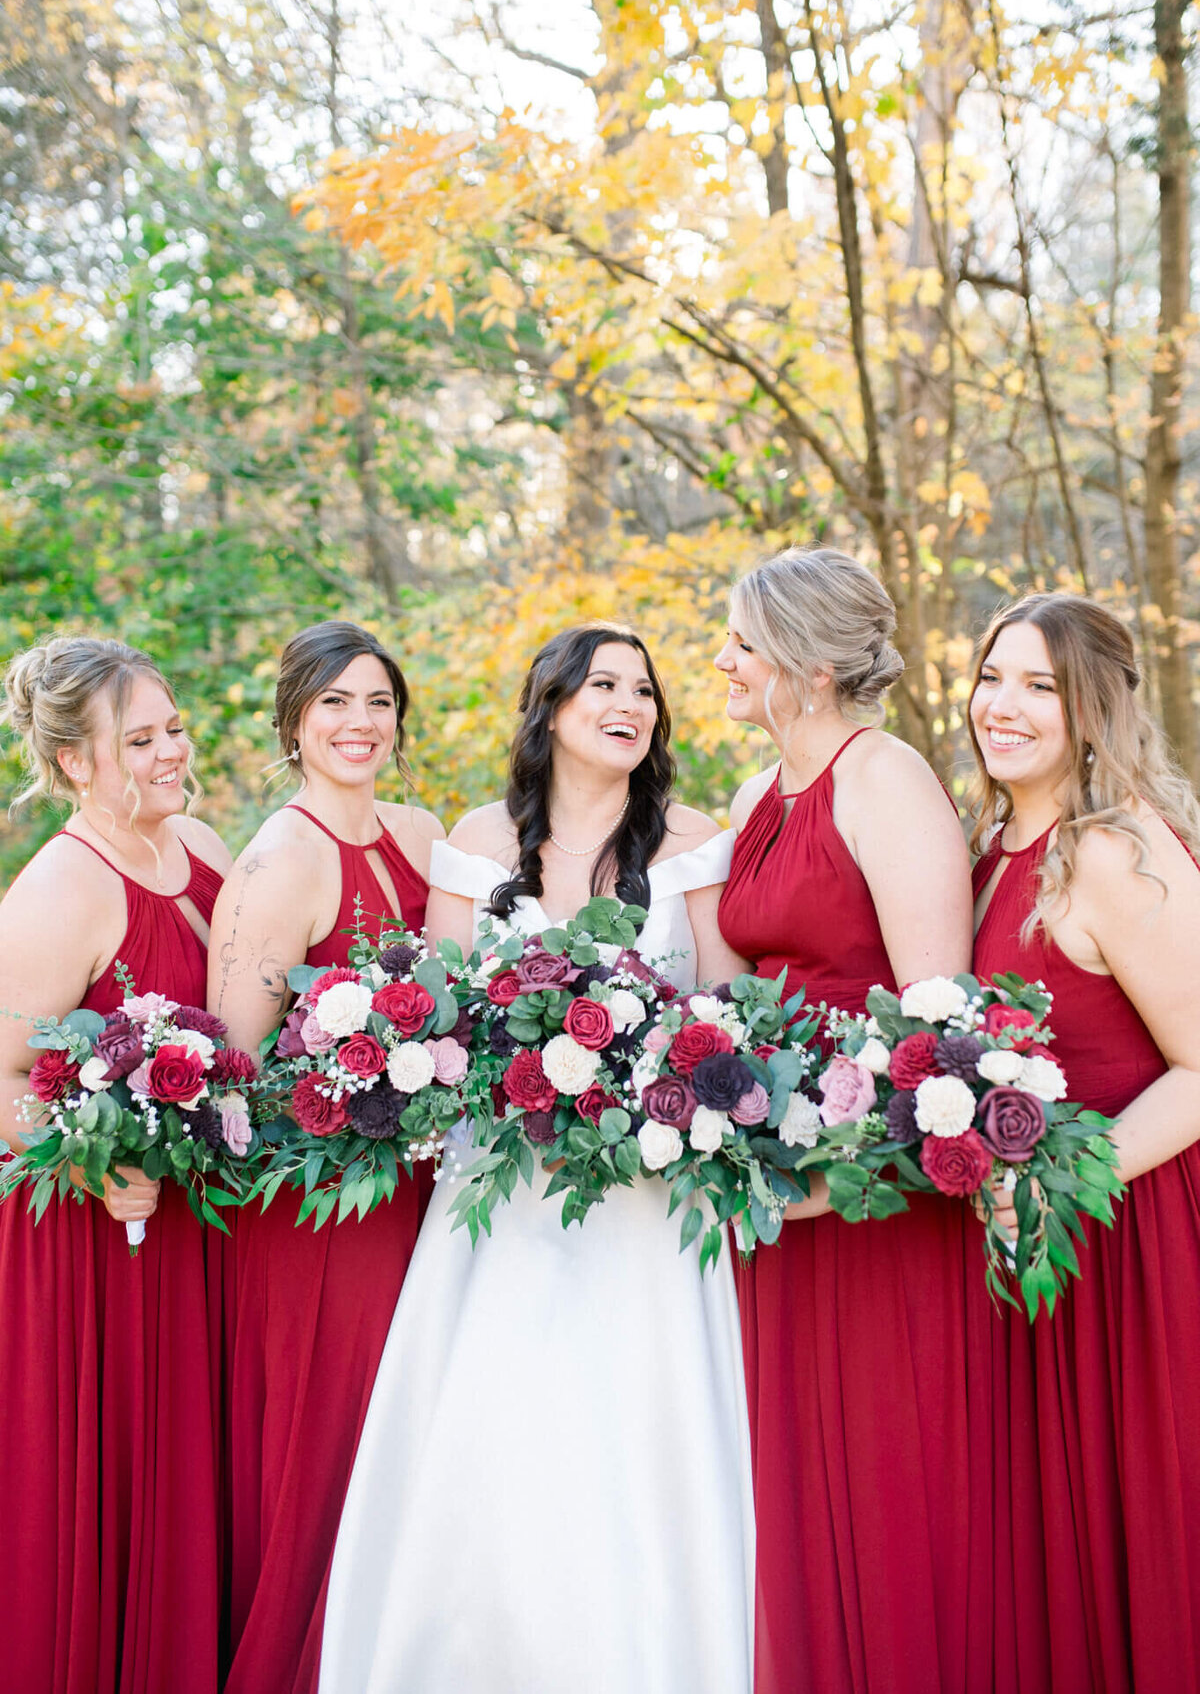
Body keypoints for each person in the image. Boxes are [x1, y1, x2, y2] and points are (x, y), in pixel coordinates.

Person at [318, 623, 756, 1694]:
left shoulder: (695, 837)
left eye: (645, 690)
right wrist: (524, 1069)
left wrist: (647, 1069)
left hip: (649, 1195)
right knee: (496, 1439)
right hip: (500, 1195)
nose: (631, 703)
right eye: (604, 683)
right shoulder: (475, 838)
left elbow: (735, 1019)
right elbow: (441, 1023)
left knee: (634, 1442)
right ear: (552, 704)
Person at [714, 548, 997, 1694]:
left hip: (877, 1193)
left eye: (743, 642)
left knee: (885, 1482)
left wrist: (844, 1168)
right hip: (773, 1190)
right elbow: (730, 1000)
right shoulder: (752, 797)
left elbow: (942, 1021)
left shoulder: (886, 782)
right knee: (784, 1493)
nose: (723, 662)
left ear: (811, 666)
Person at [969, 592, 1200, 1693]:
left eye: (1039, 686)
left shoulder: (1115, 850)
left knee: (1146, 1527)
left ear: (1093, 707)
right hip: (1025, 1249)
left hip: (1136, 1232)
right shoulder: (982, 849)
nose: (1001, 707)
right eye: (991, 677)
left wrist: (1067, 1180)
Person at [208, 620, 443, 1694]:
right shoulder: (277, 861)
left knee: (414, 1441)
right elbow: (236, 1083)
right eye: (334, 703)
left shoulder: (425, 836)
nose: (360, 723)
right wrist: (356, 1085)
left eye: (378, 702)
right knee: (333, 1450)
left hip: (420, 1198)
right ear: (293, 720)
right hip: (317, 1218)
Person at [0, 635, 231, 1694]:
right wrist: (85, 1165)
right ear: (75, 763)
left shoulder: (207, 848)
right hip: (88, 1241)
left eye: (173, 728)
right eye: (137, 740)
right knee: (102, 1493)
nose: (168, 753)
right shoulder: (63, 886)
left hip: (190, 1236)